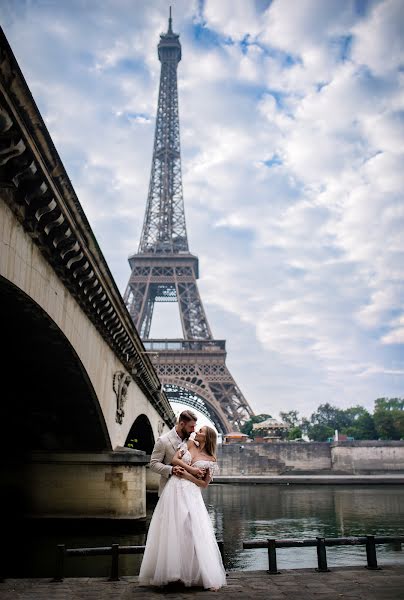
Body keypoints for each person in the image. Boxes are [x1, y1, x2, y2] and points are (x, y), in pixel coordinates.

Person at [138, 424, 227, 590]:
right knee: (172, 530)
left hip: (191, 494)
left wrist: (187, 474)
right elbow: (174, 460)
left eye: (201, 431)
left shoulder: (211, 460)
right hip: (173, 491)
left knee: (191, 531)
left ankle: (195, 574)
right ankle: (173, 574)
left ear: (207, 437)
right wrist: (192, 469)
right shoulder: (190, 444)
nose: (196, 431)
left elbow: (203, 484)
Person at [149, 409, 201, 496]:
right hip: (169, 493)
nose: (194, 430)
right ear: (182, 424)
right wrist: (171, 470)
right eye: (191, 427)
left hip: (191, 493)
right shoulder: (163, 441)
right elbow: (153, 464)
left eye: (194, 426)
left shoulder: (194, 440)